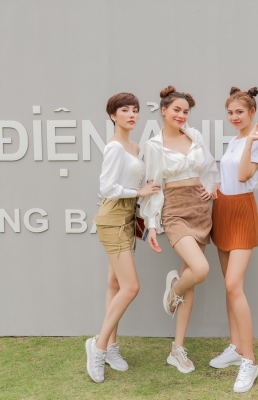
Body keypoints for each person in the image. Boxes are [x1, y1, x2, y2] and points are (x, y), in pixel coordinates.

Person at [140, 85, 220, 373]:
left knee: (192, 278)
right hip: (174, 210)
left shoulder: (194, 136)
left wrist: (211, 188)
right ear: (163, 110)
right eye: (176, 110)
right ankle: (173, 290)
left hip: (199, 209)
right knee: (200, 269)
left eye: (186, 111)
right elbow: (153, 185)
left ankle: (177, 349)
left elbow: (209, 169)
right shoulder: (154, 145)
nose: (182, 115)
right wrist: (151, 225)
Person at [85, 92, 160, 383]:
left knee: (115, 284)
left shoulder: (134, 146)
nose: (132, 115)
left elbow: (138, 186)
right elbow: (107, 188)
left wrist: (146, 208)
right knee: (131, 287)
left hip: (128, 218)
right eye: (125, 110)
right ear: (113, 116)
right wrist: (139, 191)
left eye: (135, 110)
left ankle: (111, 346)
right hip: (113, 218)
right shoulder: (115, 147)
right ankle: (99, 345)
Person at [208, 86, 258, 393]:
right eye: (230, 113)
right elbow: (228, 177)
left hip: (243, 210)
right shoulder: (234, 140)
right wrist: (213, 188)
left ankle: (250, 360)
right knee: (228, 286)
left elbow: (244, 175)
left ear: (252, 112)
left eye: (240, 112)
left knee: (235, 285)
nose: (234, 117)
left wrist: (250, 143)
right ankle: (235, 347)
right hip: (222, 208)